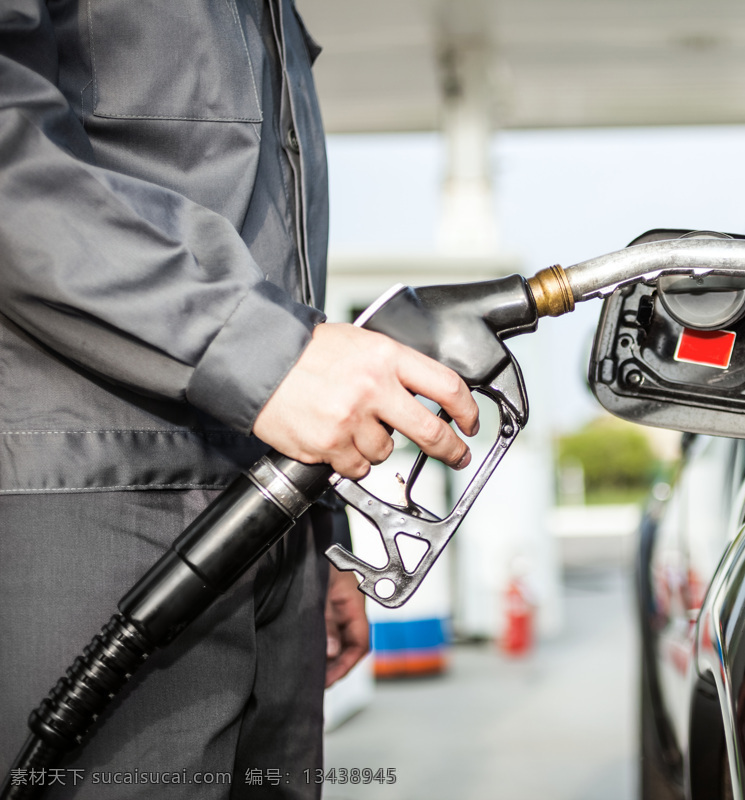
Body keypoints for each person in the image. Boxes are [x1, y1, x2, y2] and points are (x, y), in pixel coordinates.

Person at [0, 1, 479, 797]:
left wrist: (320, 536)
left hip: (270, 530)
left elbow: (271, 254)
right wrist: (267, 356)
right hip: (87, 516)